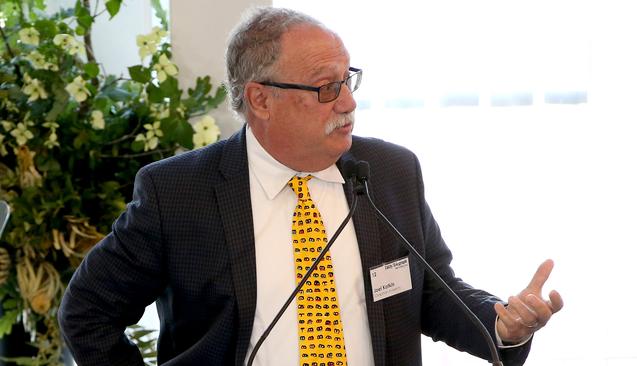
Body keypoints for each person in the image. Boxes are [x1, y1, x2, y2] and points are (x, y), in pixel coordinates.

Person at [58, 6, 563, 366]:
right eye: (326, 87)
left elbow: (433, 292)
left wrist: (503, 325)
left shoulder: (390, 172)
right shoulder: (178, 192)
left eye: (349, 80)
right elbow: (87, 313)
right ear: (260, 99)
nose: (347, 103)